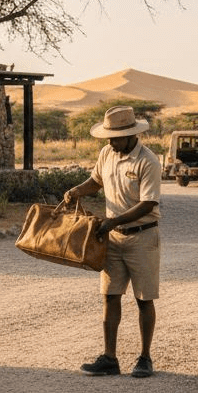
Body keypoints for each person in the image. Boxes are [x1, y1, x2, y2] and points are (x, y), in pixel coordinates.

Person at [61, 105, 162, 378]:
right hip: (113, 238)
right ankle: (109, 357)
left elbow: (148, 203)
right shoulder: (107, 153)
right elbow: (95, 181)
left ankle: (145, 357)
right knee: (110, 296)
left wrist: (114, 221)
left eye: (116, 137)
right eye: (109, 137)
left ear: (131, 135)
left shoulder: (148, 161)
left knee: (144, 299)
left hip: (143, 236)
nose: (110, 142)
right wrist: (76, 190)